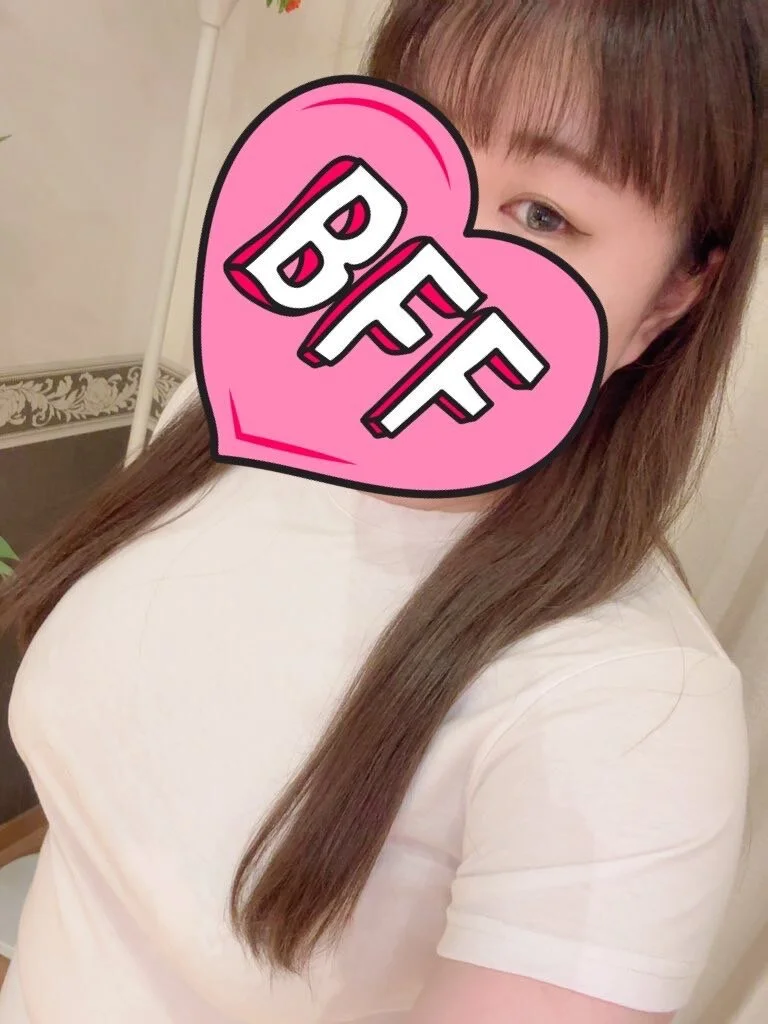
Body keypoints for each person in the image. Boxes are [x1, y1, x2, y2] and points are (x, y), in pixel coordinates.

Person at [0, 1, 765, 1021]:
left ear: (671, 298)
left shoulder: (630, 713)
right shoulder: (227, 415)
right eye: (417, 139)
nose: (420, 255)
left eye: (543, 215)